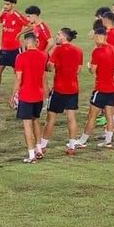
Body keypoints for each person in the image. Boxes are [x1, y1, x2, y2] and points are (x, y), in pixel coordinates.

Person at [76, 27, 114, 149]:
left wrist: (89, 66)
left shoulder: (97, 52)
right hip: (112, 88)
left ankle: (83, 140)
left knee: (92, 116)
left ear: (99, 37)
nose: (95, 39)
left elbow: (93, 71)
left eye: (96, 37)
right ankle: (108, 141)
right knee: (110, 115)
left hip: (101, 88)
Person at [40, 28, 83, 156]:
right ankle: (71, 146)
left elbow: (50, 67)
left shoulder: (57, 50)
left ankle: (42, 146)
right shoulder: (78, 50)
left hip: (59, 89)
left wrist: (49, 65)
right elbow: (78, 70)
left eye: (58, 34)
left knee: (51, 118)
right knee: (71, 117)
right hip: (73, 88)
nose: (56, 36)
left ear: (64, 37)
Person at [11, 33, 48, 164]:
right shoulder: (43, 56)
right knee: (36, 120)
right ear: (36, 42)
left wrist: (12, 95)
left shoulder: (20, 57)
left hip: (26, 95)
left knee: (27, 124)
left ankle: (31, 155)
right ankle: (39, 149)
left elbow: (18, 78)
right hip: (38, 94)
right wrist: (46, 94)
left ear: (26, 42)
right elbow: (44, 77)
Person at [0, 0, 28, 101]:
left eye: (7, 4)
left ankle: (18, 95)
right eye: (4, 4)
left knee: (18, 74)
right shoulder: (4, 15)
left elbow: (31, 25)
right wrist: (1, 12)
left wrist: (20, 33)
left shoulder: (17, 16)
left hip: (16, 50)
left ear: (13, 5)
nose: (5, 6)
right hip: (4, 49)